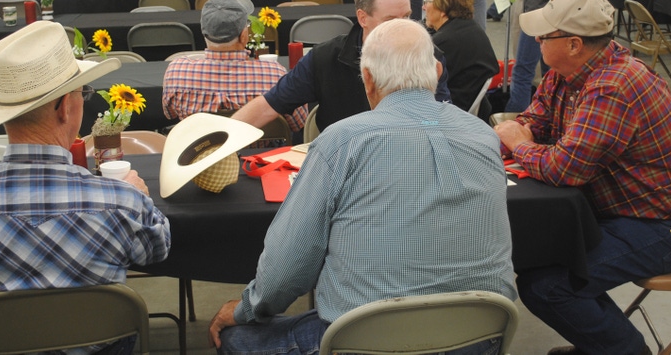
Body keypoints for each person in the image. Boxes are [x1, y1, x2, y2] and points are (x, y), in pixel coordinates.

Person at [209, 18, 516, 354]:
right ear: (438, 71)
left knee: (237, 338)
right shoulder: (483, 136)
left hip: (369, 340)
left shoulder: (342, 141)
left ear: (367, 78)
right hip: (478, 336)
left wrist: (246, 310)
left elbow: (286, 270)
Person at [0, 21, 171, 354]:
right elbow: (157, 250)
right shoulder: (121, 201)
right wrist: (135, 197)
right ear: (66, 105)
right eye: (84, 93)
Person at [494, 0, 671, 355]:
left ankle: (624, 351)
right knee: (539, 262)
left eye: (545, 35)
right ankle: (602, 344)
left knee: (547, 285)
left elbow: (564, 170)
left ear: (575, 44)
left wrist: (518, 142)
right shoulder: (565, 73)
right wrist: (519, 135)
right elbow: (533, 119)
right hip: (617, 212)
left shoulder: (612, 87)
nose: (538, 40)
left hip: (661, 226)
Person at [231, 0, 450, 134]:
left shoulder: (429, 57)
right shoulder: (325, 58)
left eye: (407, 17)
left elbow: (438, 123)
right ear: (363, 18)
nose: (404, 27)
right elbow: (270, 105)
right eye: (391, 21)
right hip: (342, 167)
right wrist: (220, 141)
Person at [162, 0, 306, 130]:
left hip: (202, 154)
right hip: (261, 155)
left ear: (204, 33)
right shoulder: (275, 74)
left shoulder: (176, 71)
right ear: (244, 36)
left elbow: (170, 114)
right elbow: (299, 122)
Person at [424, 0, 498, 116]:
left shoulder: (442, 44)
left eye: (427, 0)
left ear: (442, 6)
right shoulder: (471, 29)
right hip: (473, 112)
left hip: (444, 118)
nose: (424, 6)